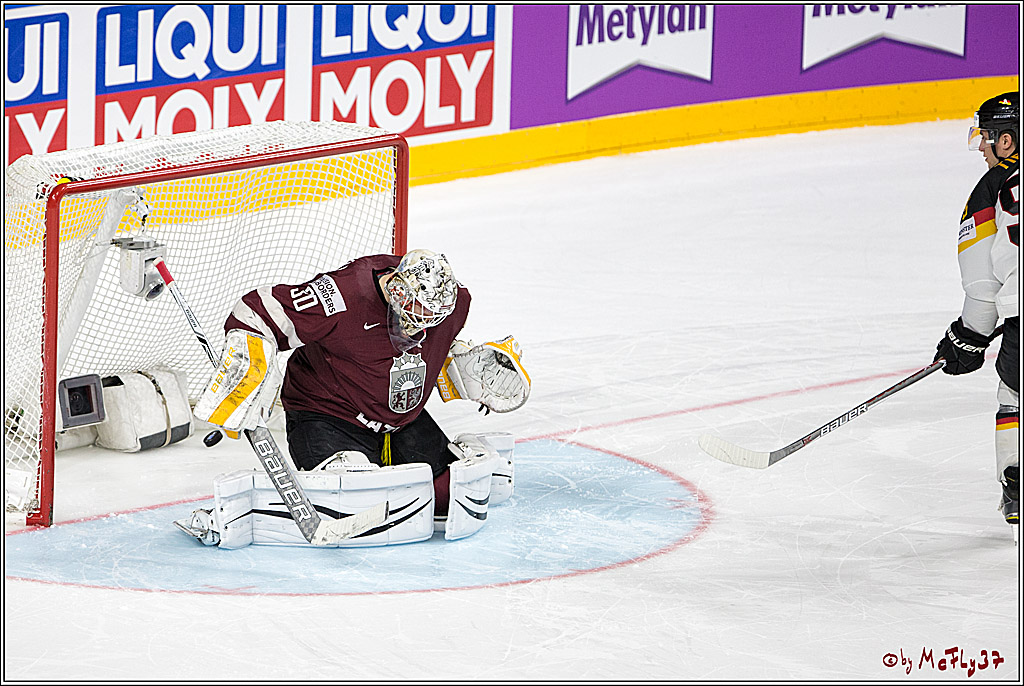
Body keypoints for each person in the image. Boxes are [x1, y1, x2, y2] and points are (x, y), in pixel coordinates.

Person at [185, 249, 531, 547]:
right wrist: (249, 368)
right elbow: (255, 311)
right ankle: (257, 509)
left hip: (400, 421)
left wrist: (455, 363)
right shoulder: (342, 296)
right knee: (354, 499)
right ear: (397, 288)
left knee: (449, 493)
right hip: (327, 414)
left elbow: (413, 351)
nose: (418, 328)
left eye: (430, 320)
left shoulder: (455, 304)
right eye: (415, 314)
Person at [933, 91, 1019, 529]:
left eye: (987, 137)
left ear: (1007, 142)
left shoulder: (991, 189)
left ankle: (1017, 484)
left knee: (1015, 395)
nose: (982, 146)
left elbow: (983, 290)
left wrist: (965, 341)